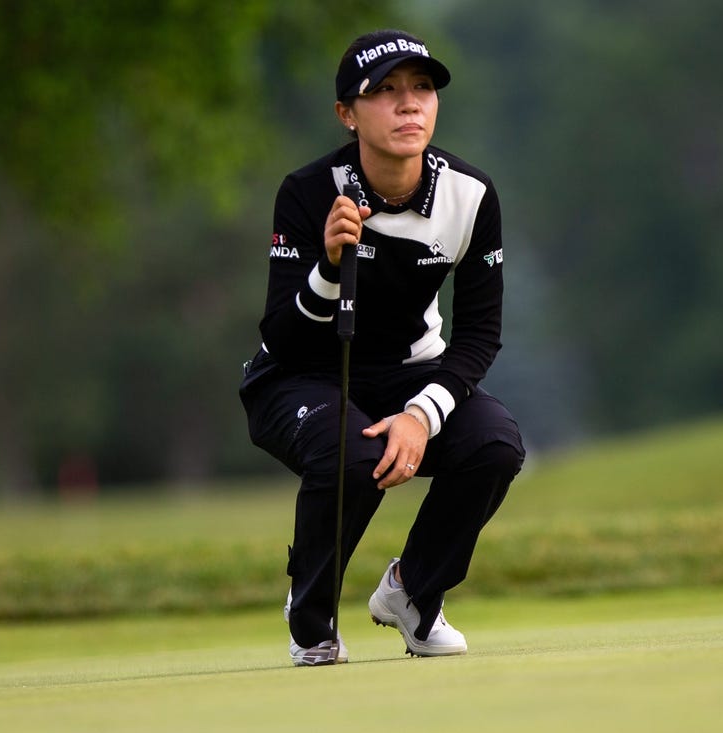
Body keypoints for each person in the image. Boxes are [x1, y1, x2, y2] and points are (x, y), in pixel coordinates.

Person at [239, 28, 525, 666]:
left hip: (407, 375)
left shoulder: (470, 196)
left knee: (493, 443)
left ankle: (413, 594)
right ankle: (311, 620)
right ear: (347, 115)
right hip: (297, 379)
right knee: (349, 451)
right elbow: (281, 335)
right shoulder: (309, 192)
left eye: (422, 88)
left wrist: (422, 415)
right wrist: (329, 266)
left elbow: (480, 332)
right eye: (386, 91)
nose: (409, 104)